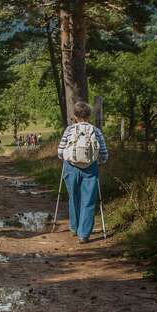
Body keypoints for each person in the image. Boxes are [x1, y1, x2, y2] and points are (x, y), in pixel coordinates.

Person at [58, 101, 108, 244]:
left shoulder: (69, 130)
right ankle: (84, 234)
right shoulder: (96, 131)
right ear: (89, 115)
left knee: (74, 197)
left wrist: (66, 158)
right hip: (91, 168)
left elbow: (60, 152)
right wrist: (100, 162)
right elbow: (104, 154)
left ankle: (74, 227)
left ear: (74, 115)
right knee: (89, 200)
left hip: (71, 167)